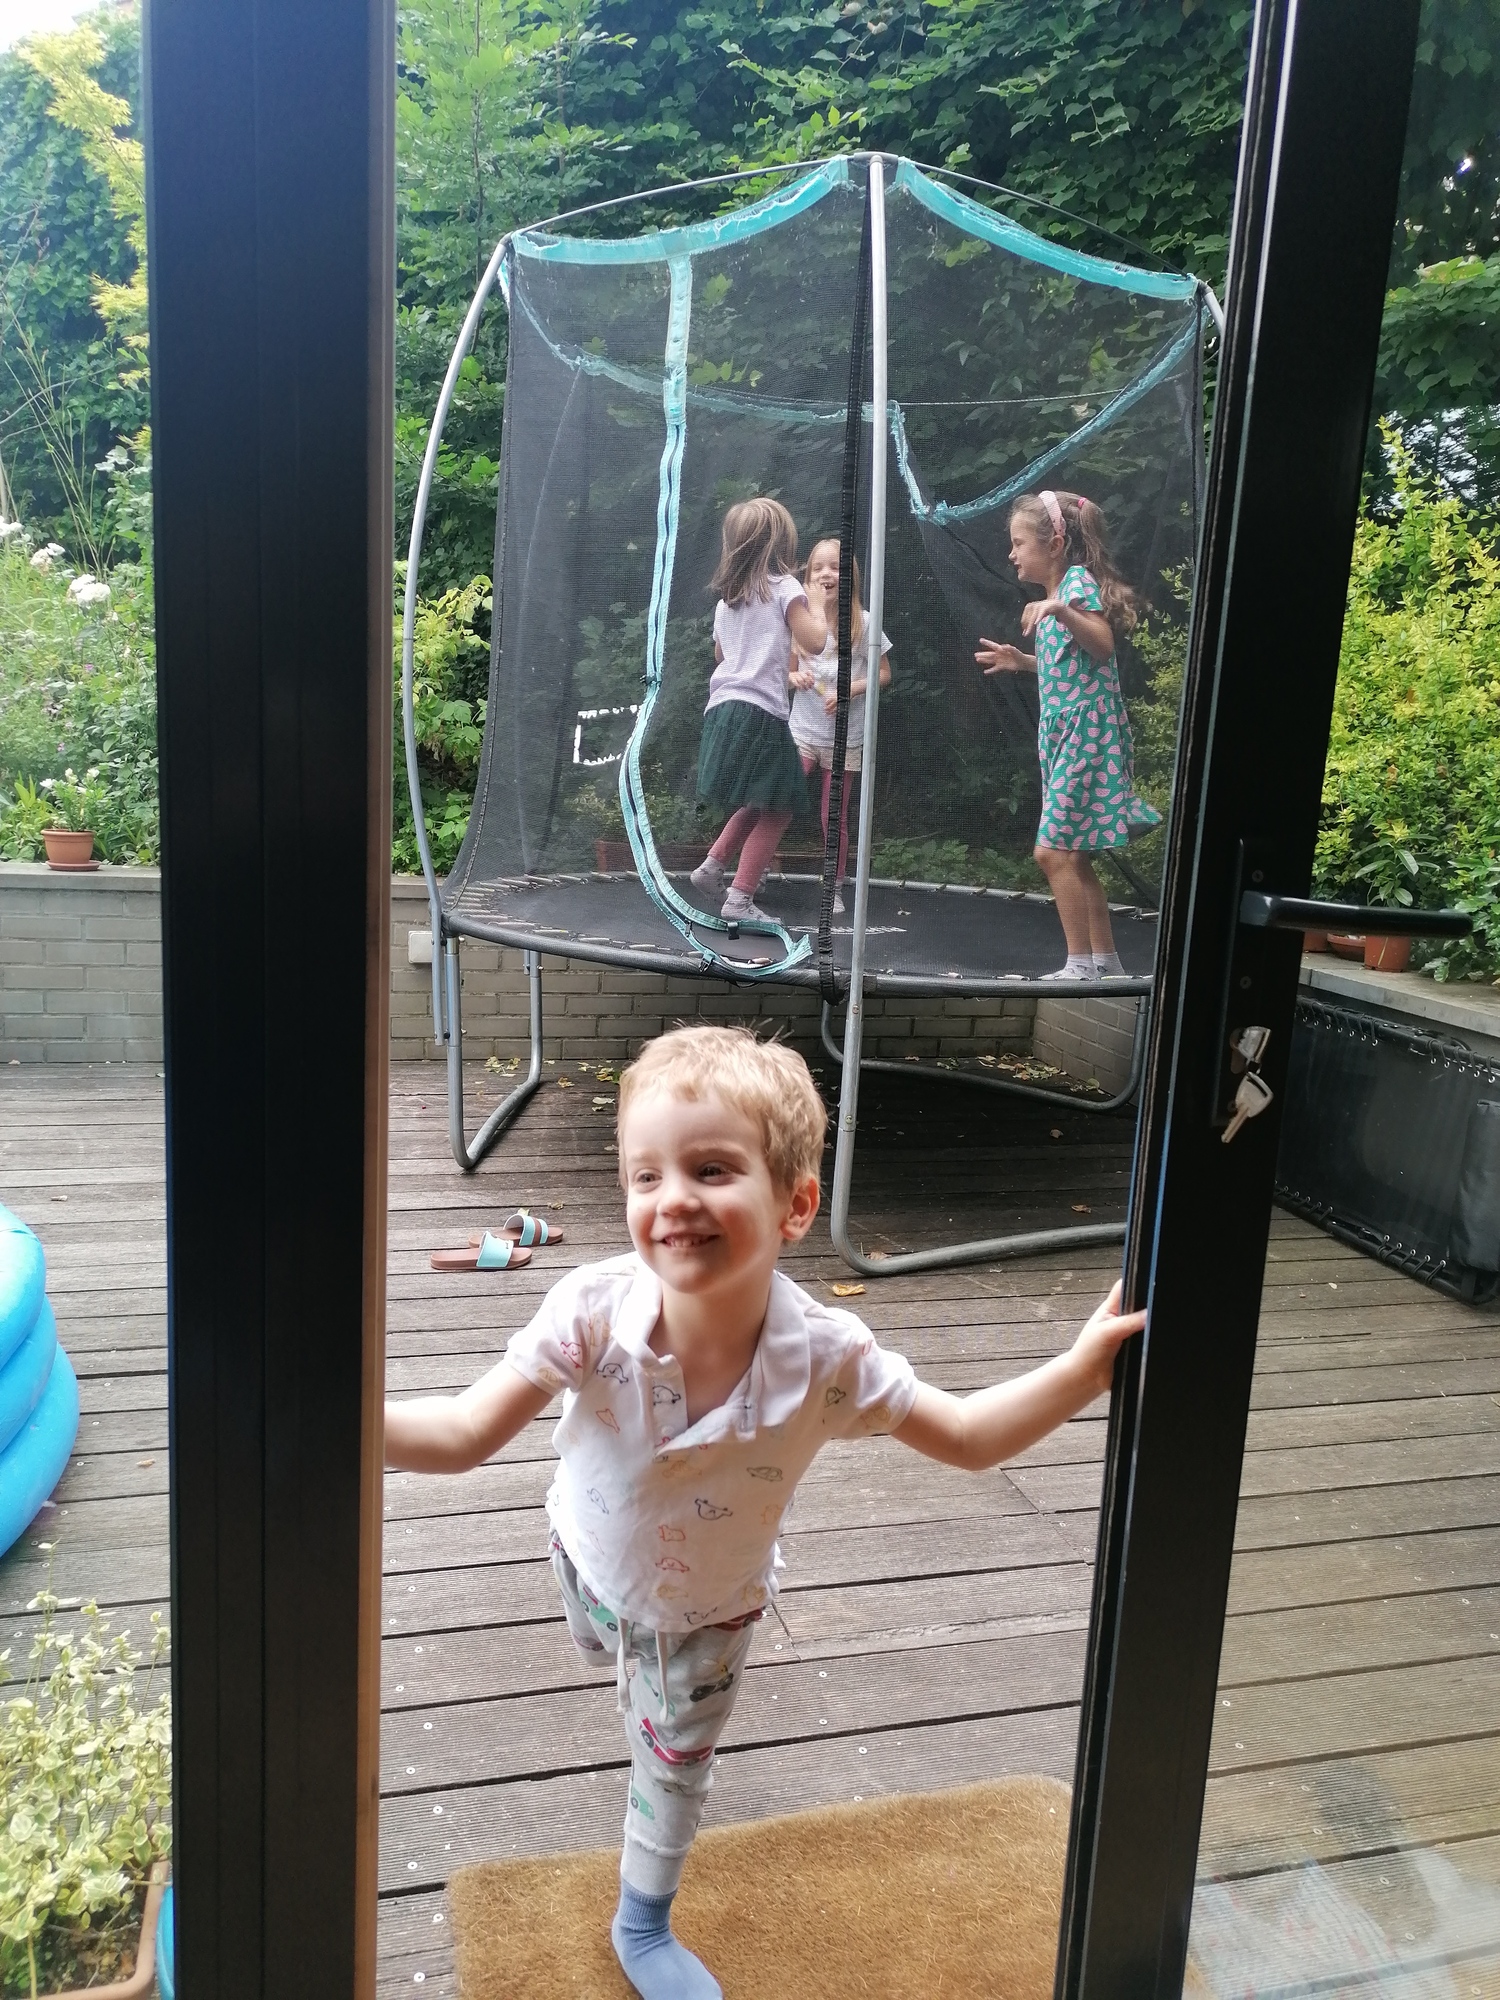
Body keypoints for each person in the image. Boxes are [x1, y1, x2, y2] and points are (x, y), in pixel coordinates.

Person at [384, 1024, 1145, 2000]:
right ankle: (619, 1655)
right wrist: (344, 1416)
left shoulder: (829, 1357)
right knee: (607, 1643)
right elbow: (460, 1433)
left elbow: (965, 1435)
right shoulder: (589, 1311)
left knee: (673, 1765)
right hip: (583, 1551)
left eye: (710, 1168)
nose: (673, 1198)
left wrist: (1082, 1370)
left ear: (796, 1204)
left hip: (710, 1612)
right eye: (646, 1175)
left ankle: (641, 1921)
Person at [976, 487, 1160, 979]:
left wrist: (1059, 609)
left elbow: (1102, 644)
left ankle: (1079, 964)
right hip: (1066, 737)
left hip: (1087, 736)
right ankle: (1106, 963)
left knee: (1051, 852)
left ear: (1054, 545)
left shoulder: (1075, 584)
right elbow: (1071, 667)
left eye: (1019, 543)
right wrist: (1024, 662)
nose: (1011, 554)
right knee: (1075, 857)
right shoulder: (1057, 598)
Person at [689, 498, 828, 925]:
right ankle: (740, 898)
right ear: (780, 545)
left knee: (762, 797)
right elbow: (815, 641)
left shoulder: (726, 601)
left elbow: (721, 654)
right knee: (781, 807)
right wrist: (817, 603)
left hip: (722, 711)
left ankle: (712, 867)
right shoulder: (786, 589)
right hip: (760, 713)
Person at [788, 537, 892, 914]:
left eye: (834, 567)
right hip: (802, 731)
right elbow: (786, 672)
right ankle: (759, 867)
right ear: (807, 578)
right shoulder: (800, 620)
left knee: (832, 815)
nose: (825, 574)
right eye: (817, 568)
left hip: (843, 739)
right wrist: (794, 678)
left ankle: (833, 885)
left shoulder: (863, 623)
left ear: (850, 577)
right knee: (778, 794)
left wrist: (851, 688)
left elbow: (884, 674)